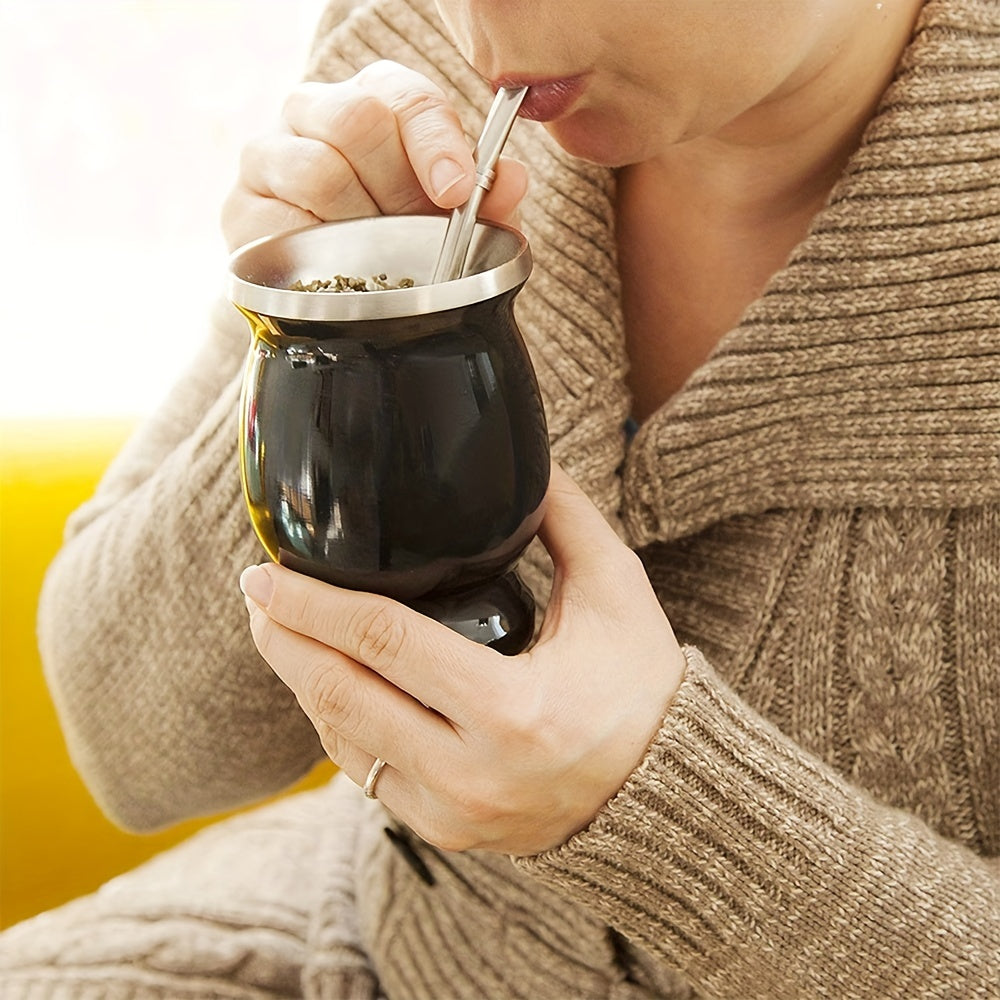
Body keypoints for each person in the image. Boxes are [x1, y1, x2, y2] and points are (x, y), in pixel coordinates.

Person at [1, 0, 997, 995]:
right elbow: (133, 748)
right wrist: (330, 342)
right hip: (377, 943)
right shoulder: (412, 62)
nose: (477, 24)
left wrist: (655, 807)